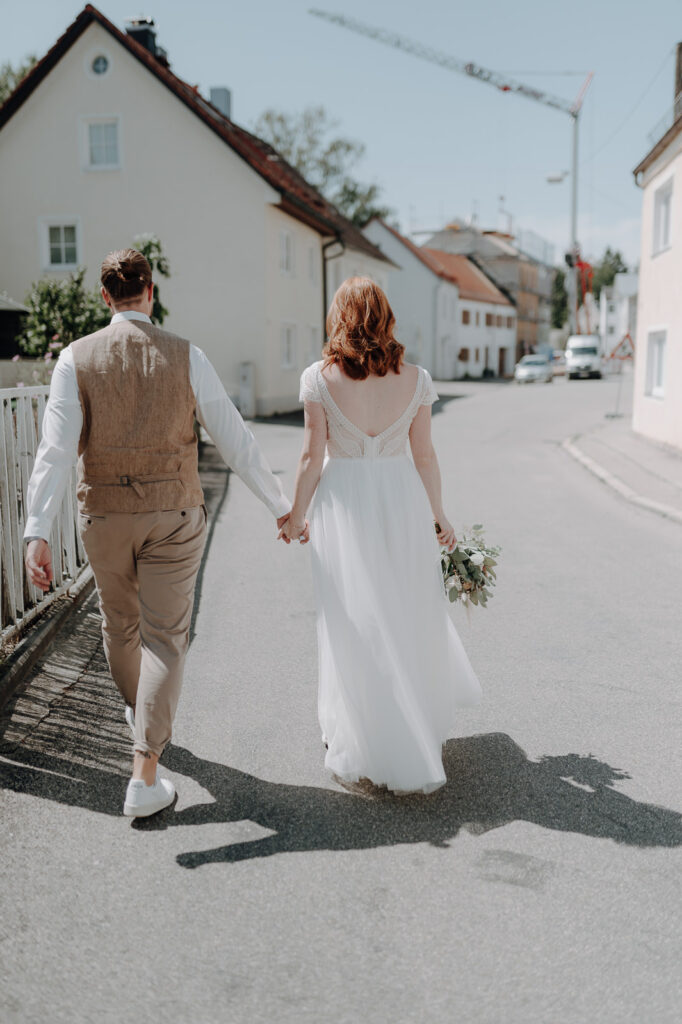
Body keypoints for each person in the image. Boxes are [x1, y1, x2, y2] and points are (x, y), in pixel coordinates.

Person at [24, 249, 290, 818]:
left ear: (105, 297)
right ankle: (144, 774)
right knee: (165, 638)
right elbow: (233, 436)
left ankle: (140, 714)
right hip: (174, 514)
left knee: (119, 626)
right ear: (151, 292)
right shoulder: (187, 355)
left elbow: (54, 450)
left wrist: (35, 531)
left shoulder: (74, 358)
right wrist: (279, 505)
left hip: (104, 516)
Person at [280, 277, 481, 794]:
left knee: (350, 617)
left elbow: (310, 457)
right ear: (385, 317)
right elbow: (425, 456)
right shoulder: (416, 379)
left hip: (343, 504)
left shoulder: (318, 379)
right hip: (401, 500)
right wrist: (438, 515)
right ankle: (411, 727)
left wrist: (296, 516)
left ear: (339, 317)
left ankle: (364, 730)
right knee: (406, 608)